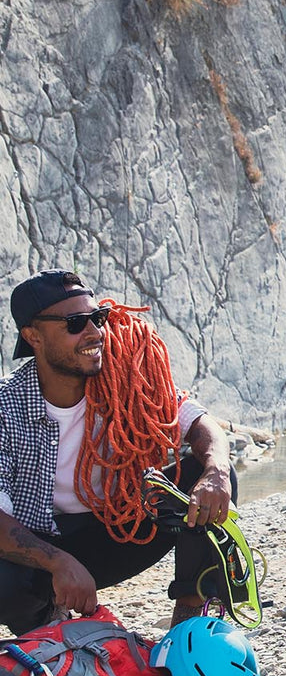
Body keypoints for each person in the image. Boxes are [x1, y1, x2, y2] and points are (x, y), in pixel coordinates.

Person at [0, 269, 235, 634]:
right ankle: (47, 631)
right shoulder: (7, 406)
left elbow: (201, 424)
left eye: (98, 318)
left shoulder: (124, 377)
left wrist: (216, 471)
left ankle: (190, 626)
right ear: (33, 336)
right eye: (75, 323)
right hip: (41, 550)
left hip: (117, 532)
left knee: (209, 475)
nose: (95, 333)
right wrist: (58, 562)